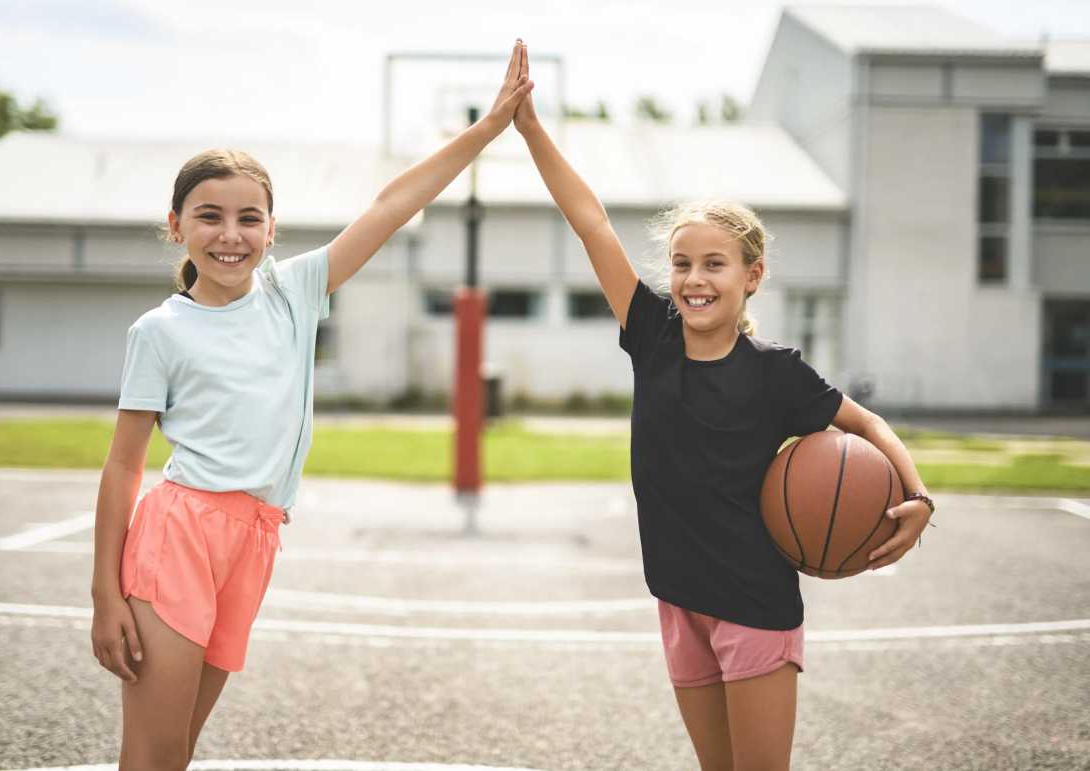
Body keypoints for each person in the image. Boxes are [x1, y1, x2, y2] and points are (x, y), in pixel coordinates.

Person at [89, 41, 533, 771]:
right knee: (153, 753)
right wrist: (104, 595)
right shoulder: (160, 331)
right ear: (176, 226)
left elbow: (393, 205)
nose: (230, 235)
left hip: (255, 537)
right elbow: (122, 468)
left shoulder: (293, 293)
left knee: (180, 750)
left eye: (248, 218)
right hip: (180, 535)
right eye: (209, 216)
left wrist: (487, 131)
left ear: (271, 228)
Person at [510, 44, 934, 771]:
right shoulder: (652, 337)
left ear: (752, 276)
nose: (694, 278)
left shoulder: (776, 375)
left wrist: (918, 494)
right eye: (681, 263)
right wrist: (528, 127)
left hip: (753, 602)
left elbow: (866, 424)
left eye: (714, 264)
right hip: (678, 596)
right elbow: (590, 222)